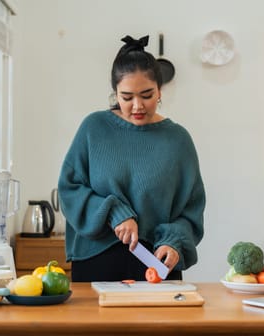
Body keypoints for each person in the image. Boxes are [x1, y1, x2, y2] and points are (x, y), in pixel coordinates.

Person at [58, 35, 206, 282]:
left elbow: (191, 210)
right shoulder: (94, 128)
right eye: (126, 97)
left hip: (157, 263)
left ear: (160, 90)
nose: (137, 105)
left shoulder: (178, 140)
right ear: (115, 93)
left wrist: (174, 242)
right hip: (95, 260)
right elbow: (69, 189)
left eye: (147, 95)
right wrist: (114, 212)